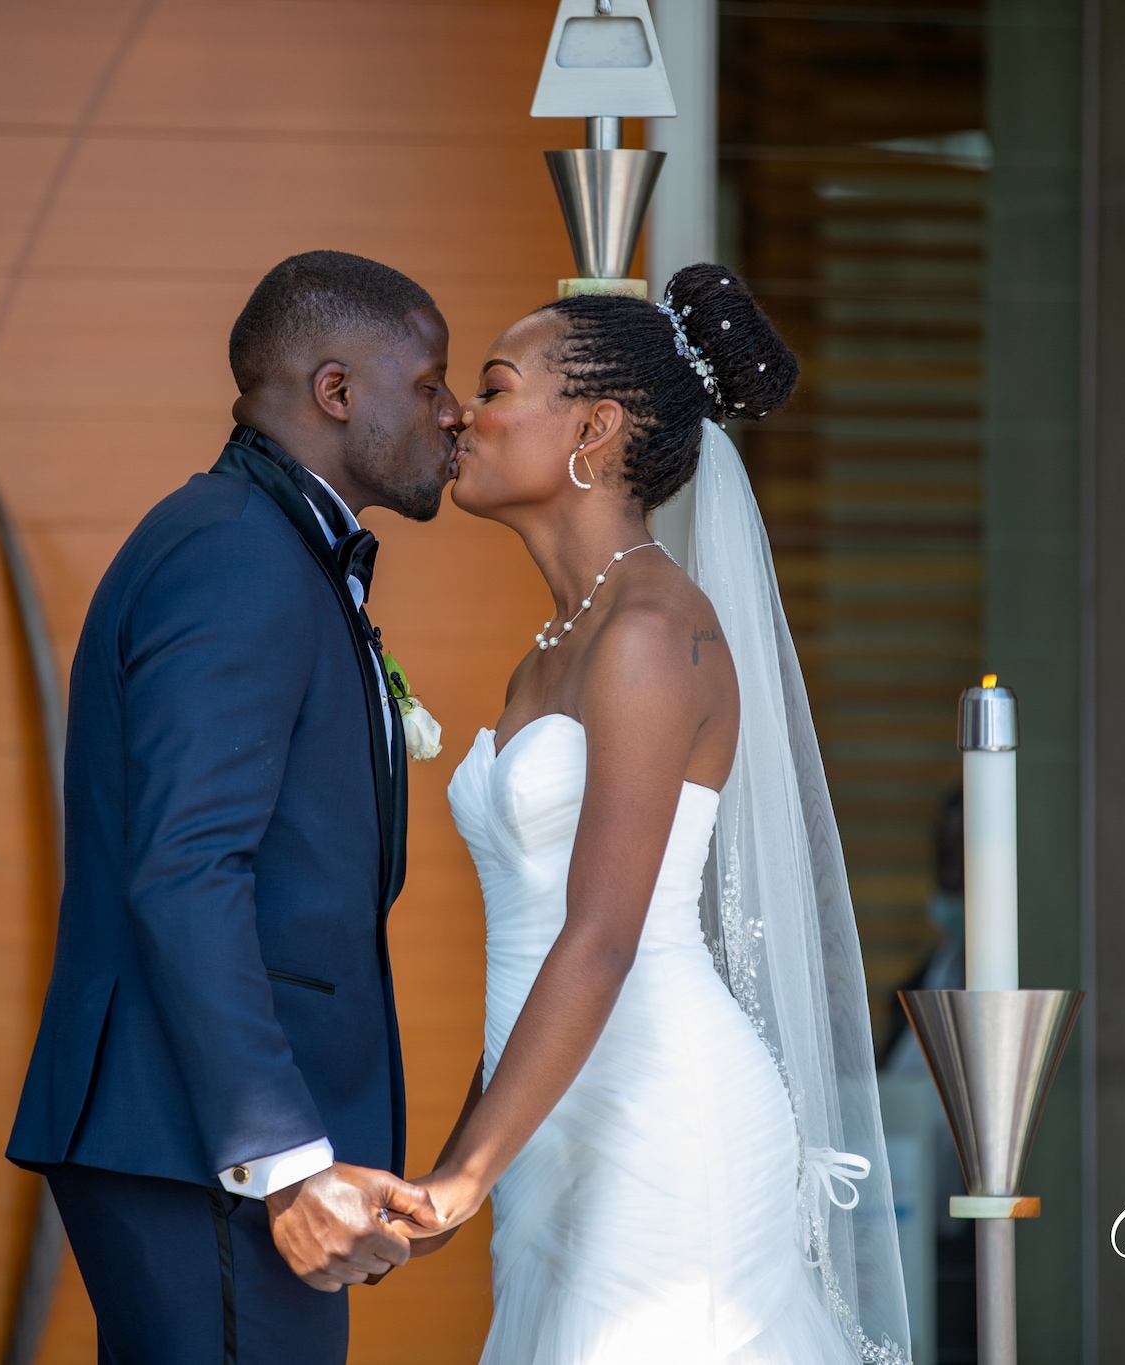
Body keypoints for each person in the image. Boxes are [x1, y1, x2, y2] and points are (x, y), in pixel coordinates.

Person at [401, 264, 915, 1364]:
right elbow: (529, 945)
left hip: (661, 1124)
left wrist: (461, 1177)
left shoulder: (647, 632)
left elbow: (599, 939)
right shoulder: (554, 645)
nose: (459, 414)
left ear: (591, 429)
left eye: (492, 388)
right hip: (552, 1126)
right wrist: (467, 1160)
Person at [5, 250, 459, 1365]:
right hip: (205, 1141)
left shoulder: (266, 546)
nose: (453, 415)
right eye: (430, 382)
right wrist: (283, 1158)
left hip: (202, 1137)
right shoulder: (232, 553)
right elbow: (187, 867)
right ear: (336, 390)